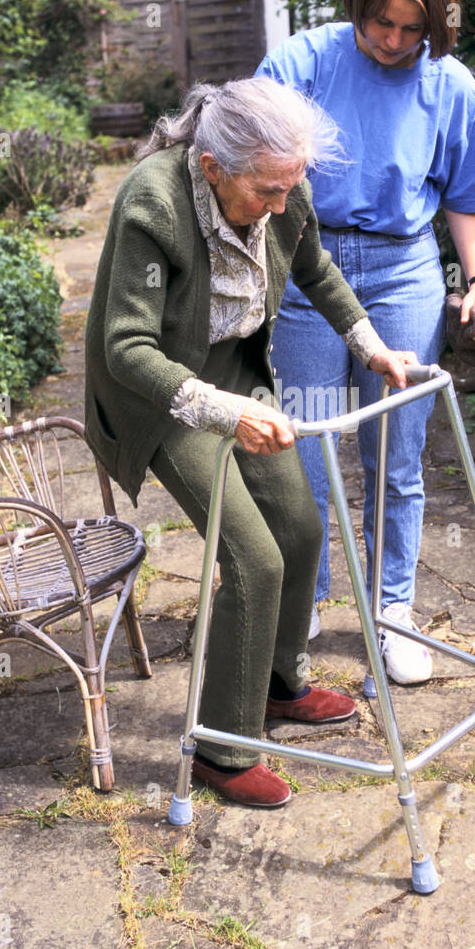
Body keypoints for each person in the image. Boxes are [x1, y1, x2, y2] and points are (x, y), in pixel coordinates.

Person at [84, 77, 414, 808]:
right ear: (211, 169)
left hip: (235, 372)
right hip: (162, 396)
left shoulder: (281, 181)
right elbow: (124, 348)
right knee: (252, 557)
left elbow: (313, 266)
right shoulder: (154, 203)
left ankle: (273, 682)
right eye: (265, 190)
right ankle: (220, 748)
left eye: (288, 186)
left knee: (299, 530)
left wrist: (370, 345)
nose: (280, 204)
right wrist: (226, 415)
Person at [255, 0, 475, 684]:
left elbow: (467, 200)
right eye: (380, 21)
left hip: (403, 274)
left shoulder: (450, 86)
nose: (394, 41)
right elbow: (244, 172)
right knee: (304, 451)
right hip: (305, 268)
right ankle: (300, 605)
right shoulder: (299, 64)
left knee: (396, 457)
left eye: (413, 28)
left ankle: (391, 610)